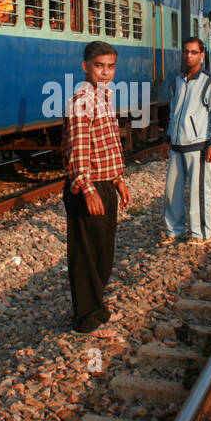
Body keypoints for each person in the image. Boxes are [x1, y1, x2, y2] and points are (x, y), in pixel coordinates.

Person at [62, 40, 131, 336]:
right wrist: (87, 188)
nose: (105, 72)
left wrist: (118, 179)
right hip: (87, 187)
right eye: (99, 66)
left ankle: (95, 307)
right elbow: (78, 148)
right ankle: (86, 318)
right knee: (87, 253)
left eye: (110, 66)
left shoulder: (103, 94)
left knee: (103, 252)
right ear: (85, 67)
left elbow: (107, 144)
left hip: (104, 182)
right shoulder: (82, 99)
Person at [163, 36, 211, 244]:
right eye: (186, 51)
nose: (189, 55)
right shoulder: (177, 80)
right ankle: (174, 231)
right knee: (172, 191)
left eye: (194, 52)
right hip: (176, 145)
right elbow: (173, 111)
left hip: (198, 145)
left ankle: (201, 234)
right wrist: (167, 137)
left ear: (202, 55)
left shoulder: (208, 81)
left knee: (198, 192)